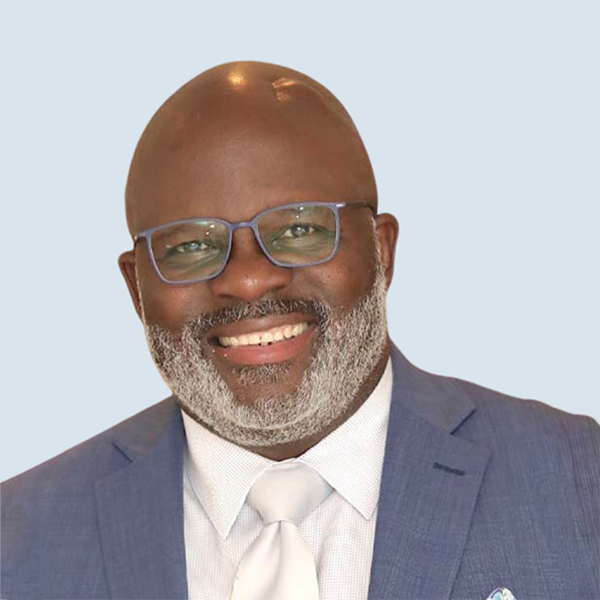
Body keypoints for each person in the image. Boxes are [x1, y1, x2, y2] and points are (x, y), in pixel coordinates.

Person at [1, 61, 598, 600]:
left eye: (300, 230)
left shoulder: (578, 482)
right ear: (137, 288)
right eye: (190, 246)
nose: (250, 280)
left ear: (381, 252)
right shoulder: (19, 538)